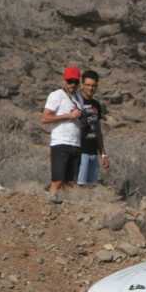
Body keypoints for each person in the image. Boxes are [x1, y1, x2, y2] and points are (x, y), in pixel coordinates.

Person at [41, 66, 85, 199]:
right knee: (58, 180)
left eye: (75, 81)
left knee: (70, 182)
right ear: (64, 80)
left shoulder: (79, 98)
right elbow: (45, 118)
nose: (73, 84)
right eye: (70, 81)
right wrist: (68, 116)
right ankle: (49, 201)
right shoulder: (56, 95)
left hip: (76, 144)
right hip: (60, 143)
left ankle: (63, 206)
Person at [76, 70, 109, 187]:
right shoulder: (75, 102)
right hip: (79, 152)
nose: (91, 88)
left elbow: (98, 130)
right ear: (82, 85)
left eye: (94, 86)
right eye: (88, 85)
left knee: (91, 188)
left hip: (93, 152)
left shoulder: (96, 105)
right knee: (79, 186)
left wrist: (103, 154)